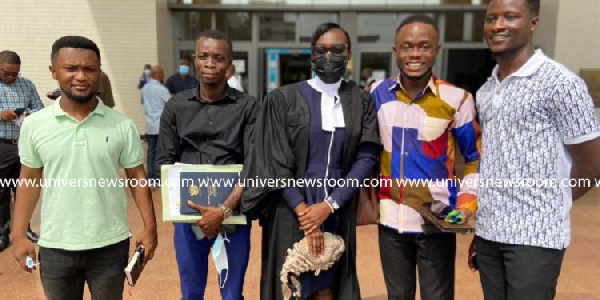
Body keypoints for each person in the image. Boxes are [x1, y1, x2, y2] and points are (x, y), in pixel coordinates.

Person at [10, 36, 158, 300]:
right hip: (55, 246)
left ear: (99, 72)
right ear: (53, 71)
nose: (81, 76)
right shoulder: (36, 126)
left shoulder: (121, 125)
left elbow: (137, 177)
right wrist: (19, 234)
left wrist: (150, 228)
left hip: (110, 246)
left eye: (89, 69)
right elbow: (29, 179)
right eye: (71, 68)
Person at [470, 0, 600, 299]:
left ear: (533, 23)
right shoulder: (486, 91)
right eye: (492, 18)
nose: (498, 25)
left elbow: (591, 164)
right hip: (489, 233)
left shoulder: (561, 84)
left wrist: (552, 202)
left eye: (511, 17)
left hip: (536, 237)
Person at [242, 22, 380, 300]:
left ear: (348, 54)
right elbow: (274, 161)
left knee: (328, 287)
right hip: (290, 208)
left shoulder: (360, 101)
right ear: (312, 55)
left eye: (337, 49)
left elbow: (366, 157)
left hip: (337, 207)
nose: (329, 56)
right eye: (322, 50)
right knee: (292, 284)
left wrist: (330, 205)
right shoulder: (284, 99)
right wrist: (307, 214)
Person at [370, 15, 481, 300]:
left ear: (437, 50)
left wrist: (467, 206)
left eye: (424, 46)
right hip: (390, 220)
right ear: (395, 51)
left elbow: (473, 159)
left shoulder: (458, 99)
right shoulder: (376, 94)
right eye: (407, 47)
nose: (415, 54)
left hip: (436, 221)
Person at [156, 30, 256, 300]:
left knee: (232, 294)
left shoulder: (248, 107)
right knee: (191, 293)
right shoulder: (176, 107)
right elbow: (165, 161)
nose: (210, 63)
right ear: (195, 60)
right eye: (204, 56)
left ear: (229, 65)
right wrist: (186, 207)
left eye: (218, 58)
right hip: (190, 216)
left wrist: (223, 209)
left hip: (234, 212)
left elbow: (254, 164)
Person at [0, 50, 44, 251]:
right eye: (6, 73)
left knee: (24, 189)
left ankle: (24, 229)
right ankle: (2, 233)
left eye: (14, 73)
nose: (11, 77)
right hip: (1, 145)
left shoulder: (26, 85)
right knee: (1, 191)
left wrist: (26, 113)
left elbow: (40, 108)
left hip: (24, 145)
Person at [142, 65, 170, 181]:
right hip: (160, 125)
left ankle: (151, 176)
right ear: (159, 75)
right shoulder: (161, 89)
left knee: (151, 151)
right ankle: (159, 177)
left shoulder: (146, 88)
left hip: (149, 124)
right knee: (161, 152)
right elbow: (171, 103)